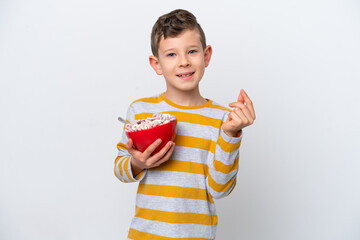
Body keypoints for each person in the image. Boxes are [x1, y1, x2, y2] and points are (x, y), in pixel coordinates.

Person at [114, 9, 256, 240]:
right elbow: (120, 169)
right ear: (156, 63)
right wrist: (137, 163)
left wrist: (231, 134)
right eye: (171, 55)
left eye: (192, 51)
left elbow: (220, 189)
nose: (184, 62)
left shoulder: (223, 119)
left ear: (206, 55)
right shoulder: (140, 111)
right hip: (145, 234)